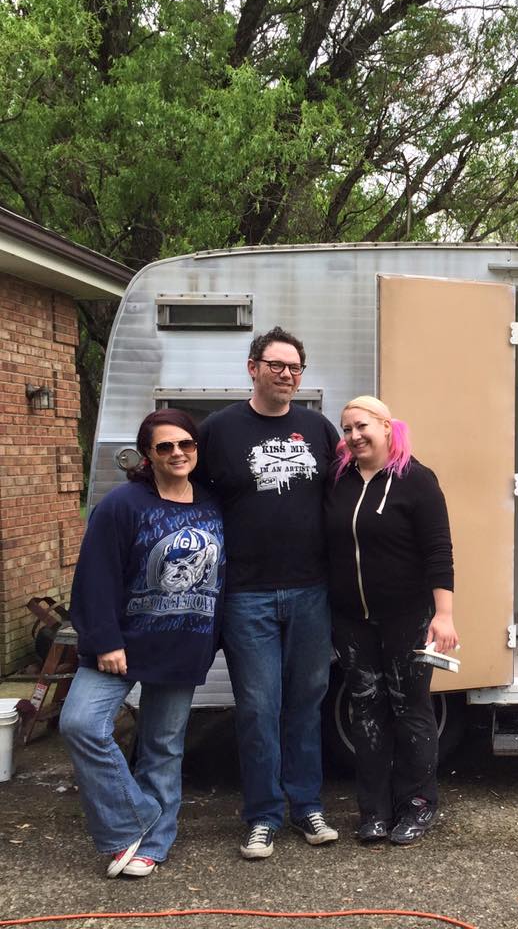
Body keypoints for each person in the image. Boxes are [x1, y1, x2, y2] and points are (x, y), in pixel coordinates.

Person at [195, 326, 341, 860]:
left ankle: (307, 807)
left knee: (305, 704)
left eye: (295, 367)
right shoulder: (219, 430)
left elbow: (347, 493)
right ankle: (262, 815)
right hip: (246, 595)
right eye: (276, 365)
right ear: (252, 367)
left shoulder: (319, 430)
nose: (286, 374)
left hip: (311, 592)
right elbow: (190, 493)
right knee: (258, 708)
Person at [59, 409, 224, 878]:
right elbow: (95, 577)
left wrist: (213, 639)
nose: (177, 453)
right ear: (148, 456)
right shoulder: (122, 505)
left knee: (163, 747)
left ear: (196, 449)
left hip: (182, 644)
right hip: (120, 645)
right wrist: (105, 640)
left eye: (185, 445)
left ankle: (153, 844)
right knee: (81, 725)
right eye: (165, 446)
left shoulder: (211, 506)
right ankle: (138, 819)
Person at [325, 395, 457, 846]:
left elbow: (439, 551)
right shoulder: (338, 479)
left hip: (408, 616)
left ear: (386, 426)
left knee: (410, 708)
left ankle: (417, 805)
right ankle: (374, 812)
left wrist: (444, 615)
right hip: (351, 619)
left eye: (362, 426)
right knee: (365, 709)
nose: (354, 436)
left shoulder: (416, 480)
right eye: (346, 429)